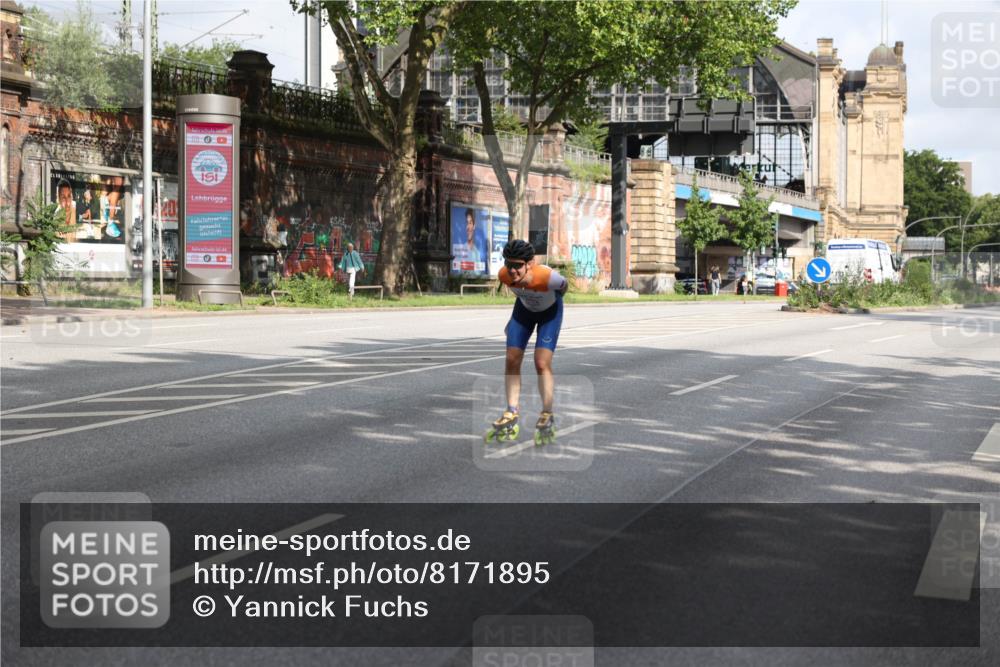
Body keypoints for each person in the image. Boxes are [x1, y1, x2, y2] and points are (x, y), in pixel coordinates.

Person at [485, 239, 568, 445]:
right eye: (509, 264)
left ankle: (547, 413)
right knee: (511, 359)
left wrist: (546, 298)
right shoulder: (504, 275)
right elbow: (516, 290)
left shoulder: (547, 277)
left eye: (517, 265)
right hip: (523, 312)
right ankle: (512, 411)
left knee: (541, 362)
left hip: (550, 313)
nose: (512, 270)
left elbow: (563, 288)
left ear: (529, 263)